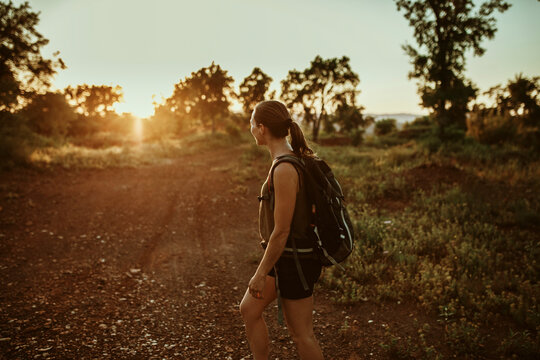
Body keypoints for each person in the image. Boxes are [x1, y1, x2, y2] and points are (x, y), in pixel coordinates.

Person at [239, 100, 325, 360]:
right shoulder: (283, 161)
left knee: (301, 334)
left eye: (252, 123)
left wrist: (259, 273)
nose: (250, 128)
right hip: (284, 257)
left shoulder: (285, 168)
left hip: (295, 259)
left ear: (262, 128)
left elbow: (281, 231)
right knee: (249, 309)